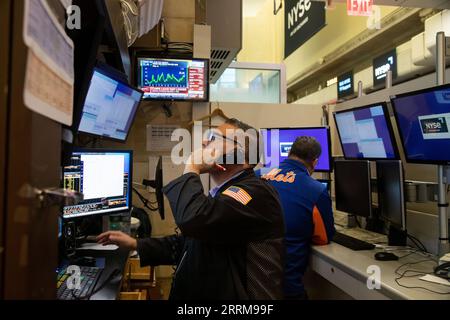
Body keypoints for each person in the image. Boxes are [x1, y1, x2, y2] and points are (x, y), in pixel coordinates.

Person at [97, 118, 285, 300]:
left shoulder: (254, 193)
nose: (204, 141)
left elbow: (194, 220)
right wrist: (136, 244)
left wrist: (192, 167)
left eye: (214, 138)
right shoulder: (226, 192)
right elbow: (191, 243)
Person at [259, 136, 335, 300]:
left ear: (290, 154)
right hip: (285, 289)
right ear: (314, 162)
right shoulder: (316, 191)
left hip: (249, 282)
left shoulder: (258, 175)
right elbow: (323, 238)